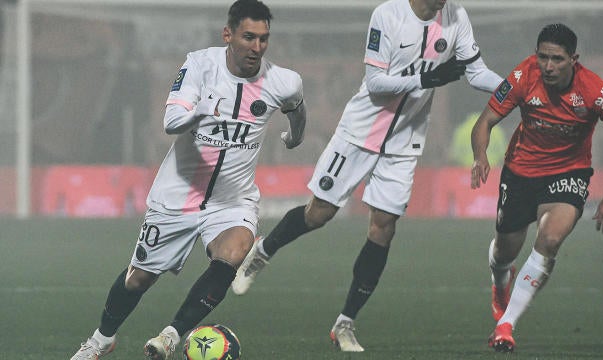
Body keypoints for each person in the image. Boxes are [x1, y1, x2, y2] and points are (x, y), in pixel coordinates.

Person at [231, 0, 503, 352]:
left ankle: (345, 323)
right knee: (319, 214)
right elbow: (376, 83)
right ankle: (262, 252)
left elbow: (476, 71)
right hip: (360, 132)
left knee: (383, 227)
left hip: (406, 140)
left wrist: (515, 90)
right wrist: (424, 78)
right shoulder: (387, 15)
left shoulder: (456, 16)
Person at [70, 1, 307, 359]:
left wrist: (296, 137)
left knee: (234, 251)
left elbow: (297, 109)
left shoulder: (283, 82)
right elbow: (170, 121)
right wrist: (201, 111)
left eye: (263, 39)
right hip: (179, 195)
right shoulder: (200, 64)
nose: (256, 47)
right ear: (228, 35)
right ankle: (101, 340)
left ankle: (171, 335)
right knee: (138, 279)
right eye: (248, 37)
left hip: (233, 200)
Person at [470, 23, 603, 353]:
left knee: (549, 240)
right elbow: (485, 121)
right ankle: (499, 280)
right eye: (543, 57)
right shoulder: (523, 76)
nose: (548, 66)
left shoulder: (596, 92)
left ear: (573, 59)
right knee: (504, 251)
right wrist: (480, 156)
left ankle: (506, 325)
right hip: (520, 172)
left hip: (569, 173)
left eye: (557, 59)